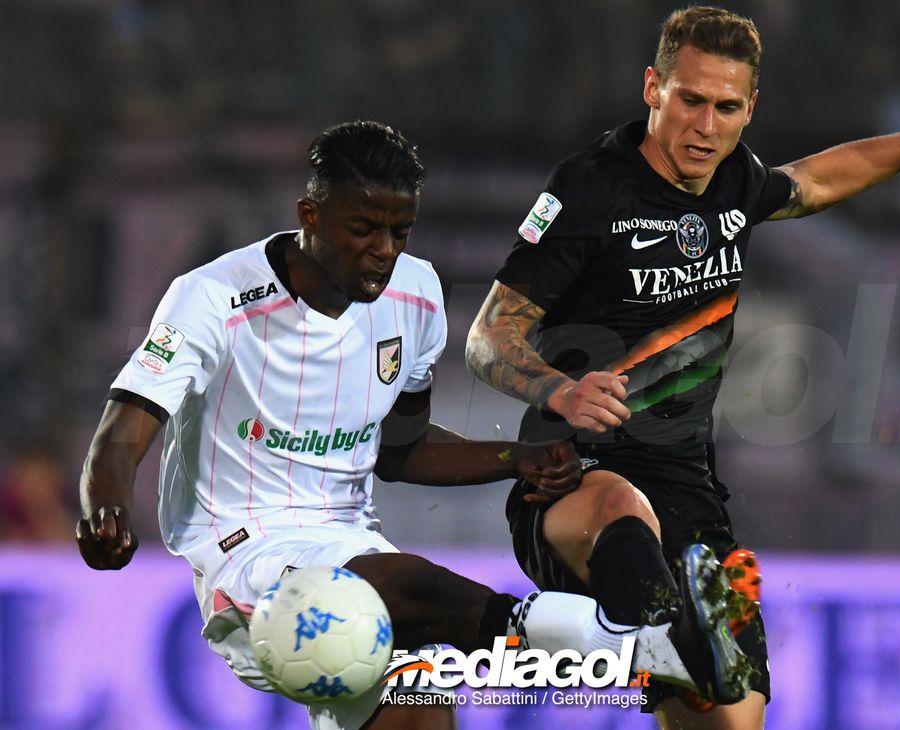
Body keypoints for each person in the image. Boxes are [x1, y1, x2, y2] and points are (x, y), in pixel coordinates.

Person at [75, 120, 748, 730]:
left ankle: (649, 647)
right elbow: (125, 428)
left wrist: (518, 459)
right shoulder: (214, 298)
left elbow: (399, 451)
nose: (383, 251)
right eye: (364, 228)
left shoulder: (415, 296)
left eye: (400, 232)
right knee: (405, 586)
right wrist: (104, 505)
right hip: (246, 556)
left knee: (422, 713)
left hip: (348, 536)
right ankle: (640, 647)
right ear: (311, 214)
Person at [465, 7, 900, 730]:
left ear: (749, 108)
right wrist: (560, 390)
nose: (705, 126)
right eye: (690, 100)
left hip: (688, 489)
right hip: (573, 474)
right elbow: (488, 337)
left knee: (729, 722)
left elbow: (816, 181)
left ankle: (673, 643)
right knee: (622, 516)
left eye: (726, 108)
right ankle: (659, 633)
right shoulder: (590, 188)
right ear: (652, 89)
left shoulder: (736, 179)